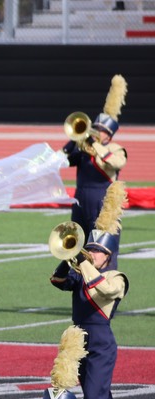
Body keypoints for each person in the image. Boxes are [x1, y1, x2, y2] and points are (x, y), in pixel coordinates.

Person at [50, 185, 128, 399]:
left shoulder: (116, 277)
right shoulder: (82, 274)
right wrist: (66, 257)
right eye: (90, 249)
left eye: (96, 251)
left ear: (108, 256)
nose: (91, 253)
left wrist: (83, 264)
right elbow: (58, 281)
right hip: (78, 339)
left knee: (93, 396)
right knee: (100, 395)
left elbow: (105, 290)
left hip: (102, 341)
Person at [63, 76, 128, 269]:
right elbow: (64, 159)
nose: (97, 132)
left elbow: (114, 163)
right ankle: (78, 274)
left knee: (102, 241)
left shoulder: (116, 149)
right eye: (96, 129)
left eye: (101, 130)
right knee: (78, 239)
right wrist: (74, 142)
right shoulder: (84, 148)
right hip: (80, 198)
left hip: (101, 199)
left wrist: (95, 146)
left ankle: (106, 274)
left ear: (109, 133)